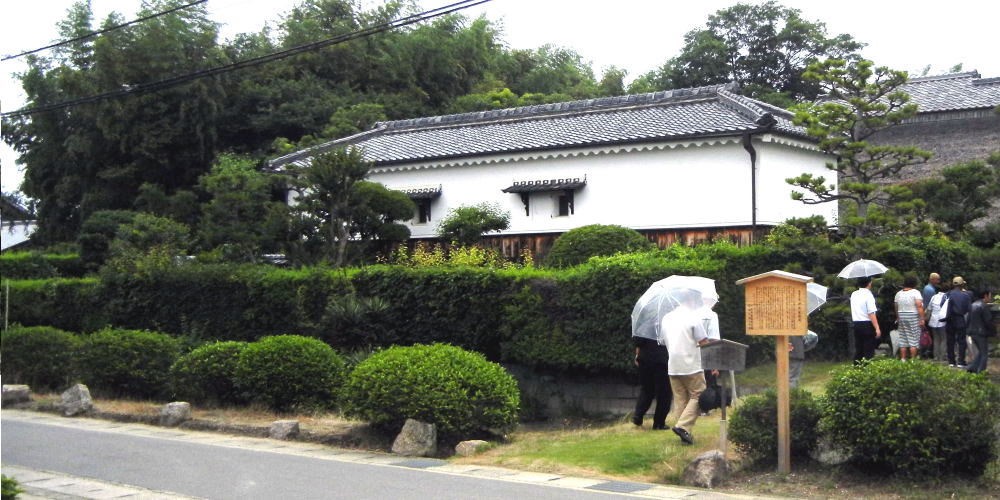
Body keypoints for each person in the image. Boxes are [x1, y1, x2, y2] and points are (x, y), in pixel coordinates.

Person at [659, 289, 710, 445]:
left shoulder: (666, 318)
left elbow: (661, 341)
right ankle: (683, 427)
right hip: (691, 364)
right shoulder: (693, 316)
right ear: (691, 300)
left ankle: (684, 434)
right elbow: (703, 341)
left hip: (673, 364)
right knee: (698, 394)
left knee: (681, 398)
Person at [632, 335, 670, 430]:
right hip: (661, 359)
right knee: (664, 393)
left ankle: (638, 415)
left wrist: (637, 354)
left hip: (644, 358)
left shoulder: (644, 322)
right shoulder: (666, 321)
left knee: (646, 389)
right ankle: (659, 422)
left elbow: (638, 341)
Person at [894, 274, 926, 361]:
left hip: (901, 315)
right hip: (913, 316)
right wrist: (922, 318)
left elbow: (896, 306)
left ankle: (903, 359)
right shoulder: (915, 292)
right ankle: (912, 360)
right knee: (914, 339)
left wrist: (897, 317)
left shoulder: (898, 294)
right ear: (914, 283)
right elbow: (919, 306)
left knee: (903, 338)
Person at [851, 276, 882, 362]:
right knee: (868, 349)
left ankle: (857, 368)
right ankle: (867, 368)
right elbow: (871, 313)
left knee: (859, 349)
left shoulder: (854, 294)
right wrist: (877, 328)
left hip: (856, 323)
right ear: (869, 283)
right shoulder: (868, 295)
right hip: (867, 324)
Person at [945, 276, 973, 368]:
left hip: (949, 319)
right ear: (962, 285)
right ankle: (961, 361)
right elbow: (969, 309)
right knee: (961, 341)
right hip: (960, 319)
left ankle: (951, 361)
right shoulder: (966, 295)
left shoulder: (948, 294)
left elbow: (942, 305)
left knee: (950, 341)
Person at [966, 289, 995, 374]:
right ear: (985, 296)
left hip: (972, 332)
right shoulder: (983, 306)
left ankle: (972, 368)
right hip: (981, 333)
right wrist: (993, 331)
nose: (990, 297)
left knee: (981, 352)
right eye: (990, 295)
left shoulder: (972, 305)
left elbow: (968, 319)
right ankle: (981, 372)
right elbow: (988, 321)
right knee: (984, 354)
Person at [926, 283, 950, 362]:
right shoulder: (947, 297)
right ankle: (942, 357)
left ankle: (936, 356)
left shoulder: (934, 297)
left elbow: (929, 309)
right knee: (944, 339)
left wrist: (927, 319)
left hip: (933, 321)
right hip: (942, 322)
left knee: (936, 339)